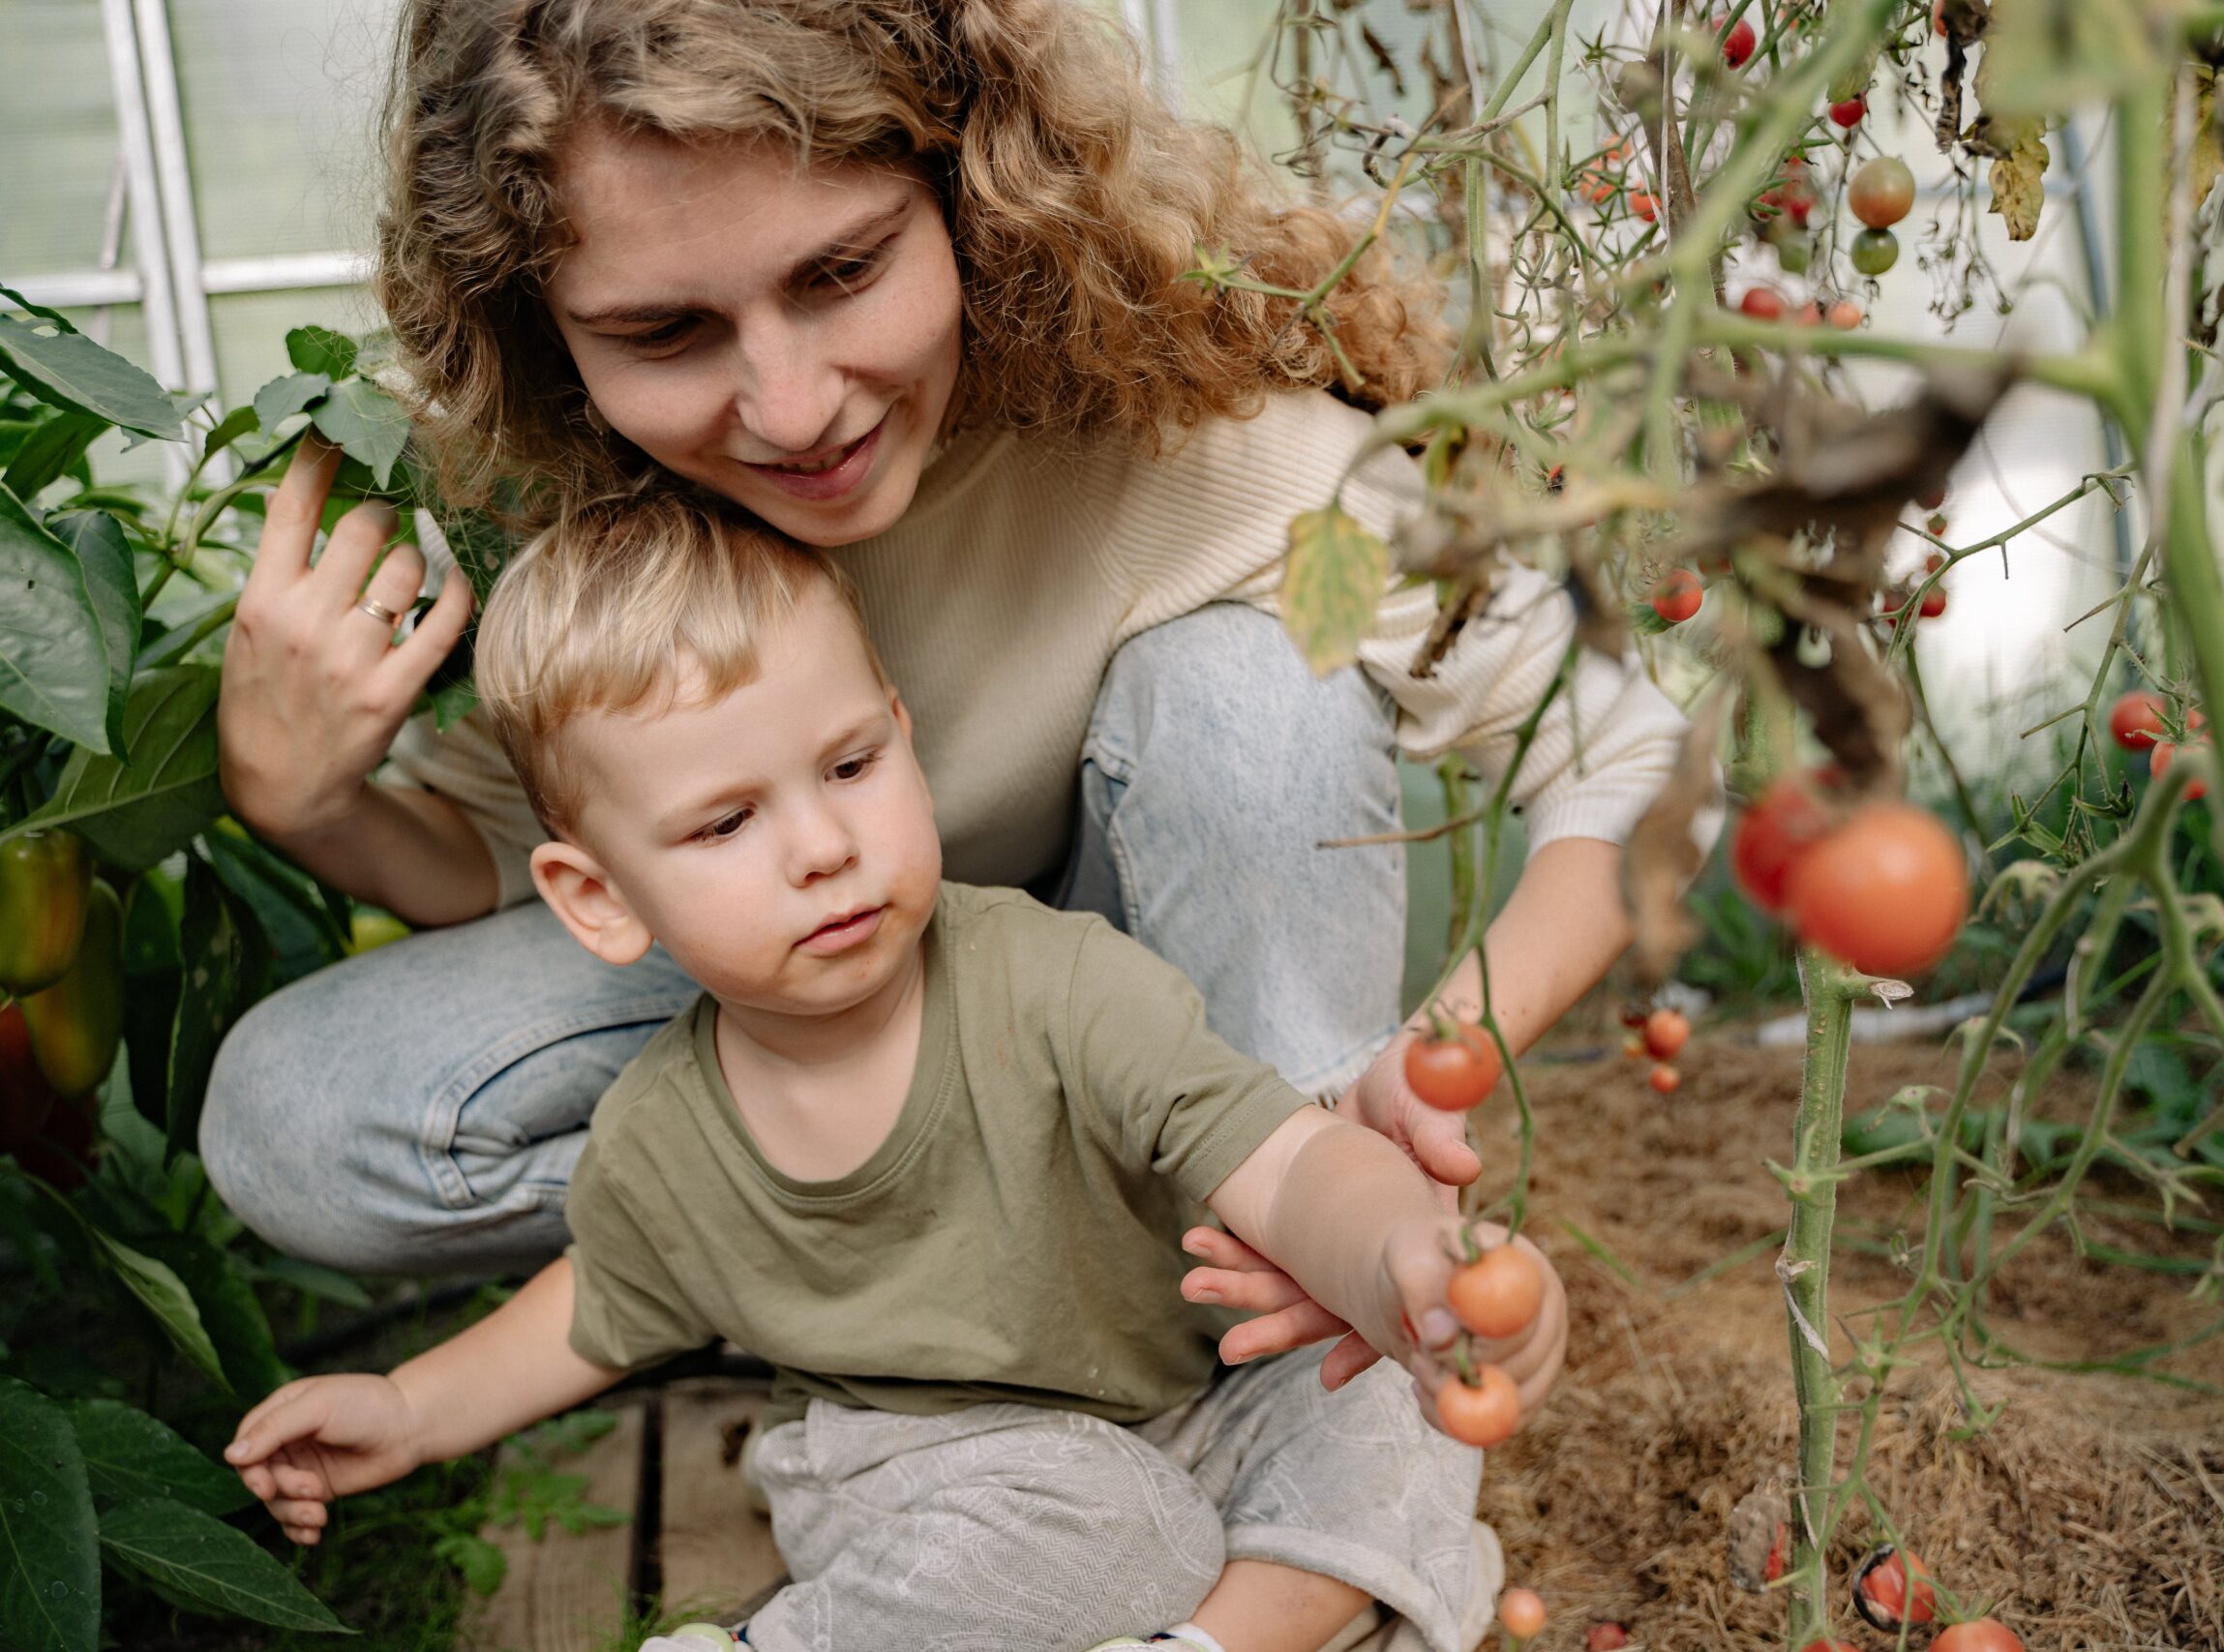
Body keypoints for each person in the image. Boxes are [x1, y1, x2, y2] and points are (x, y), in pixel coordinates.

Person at [202, 0, 1711, 1385]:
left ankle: (1293, 1264)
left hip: (1170, 1038)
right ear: (546, 325)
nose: (791, 410)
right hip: (833, 1027)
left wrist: (1430, 1055)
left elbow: (1629, 755)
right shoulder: (594, 500)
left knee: (1249, 690)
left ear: (974, 194)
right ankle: (979, 1290)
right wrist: (306, 800)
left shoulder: (1205, 440)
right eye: (665, 332)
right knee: (294, 1119)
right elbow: (521, 859)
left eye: (843, 271)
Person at [224, 495, 1568, 1652]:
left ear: (903, 734)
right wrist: (407, 1410)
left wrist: (1398, 1248)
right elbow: (596, 1314)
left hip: (1182, 1398)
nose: (821, 846)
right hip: (915, 1462)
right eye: (726, 821)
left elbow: (1280, 1158)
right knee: (1116, 1519)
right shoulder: (668, 1127)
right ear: (597, 898)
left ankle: (1202, 1642)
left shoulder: (1058, 986)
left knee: (1389, 1410)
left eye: (853, 765)